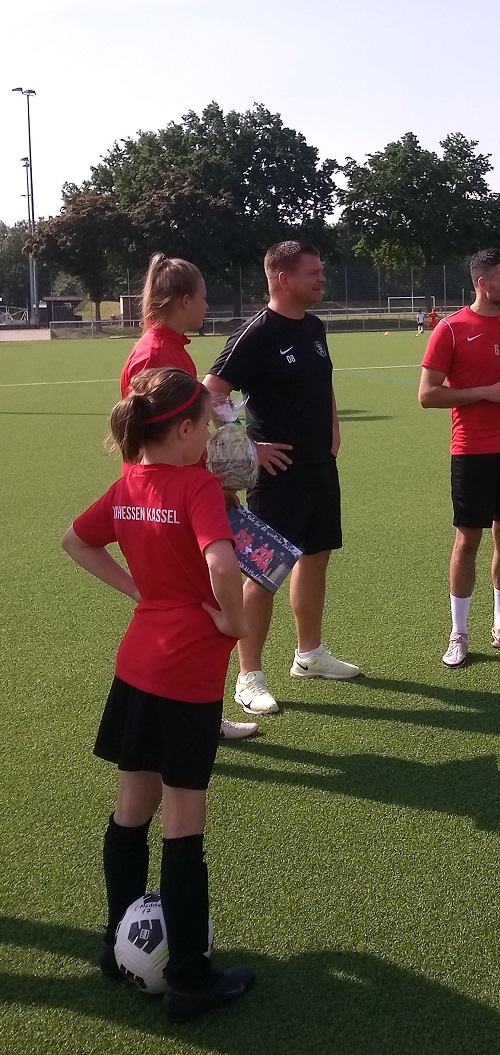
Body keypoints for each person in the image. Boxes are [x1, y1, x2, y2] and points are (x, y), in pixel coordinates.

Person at [61, 368, 254, 1022]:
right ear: (184, 429)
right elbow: (221, 563)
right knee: (183, 823)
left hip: (137, 665)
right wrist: (234, 622)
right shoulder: (196, 484)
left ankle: (115, 944)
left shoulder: (129, 483)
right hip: (187, 674)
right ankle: (190, 980)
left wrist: (141, 591)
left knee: (130, 810)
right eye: (206, 425)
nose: (210, 436)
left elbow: (75, 541)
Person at [203, 241, 360, 716]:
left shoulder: (313, 326)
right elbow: (210, 393)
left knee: (316, 556)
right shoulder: (257, 332)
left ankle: (309, 655)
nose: (322, 278)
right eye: (313, 272)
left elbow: (323, 383)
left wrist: (333, 428)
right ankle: (248, 676)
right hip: (277, 475)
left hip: (319, 465)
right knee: (264, 573)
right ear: (283, 279)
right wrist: (248, 447)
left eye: (321, 270)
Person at [121, 253, 257, 741]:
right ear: (183, 300)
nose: (207, 305)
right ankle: (186, 716)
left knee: (189, 612)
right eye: (202, 297)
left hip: (175, 494)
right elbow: (161, 440)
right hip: (170, 500)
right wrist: (207, 489)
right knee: (195, 613)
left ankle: (191, 714)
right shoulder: (158, 353)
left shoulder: (169, 347)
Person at [418, 247, 500, 668]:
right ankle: (459, 633)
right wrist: (483, 393)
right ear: (482, 283)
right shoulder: (450, 329)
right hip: (472, 450)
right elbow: (427, 394)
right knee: (468, 538)